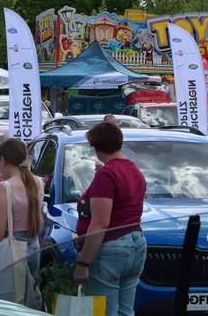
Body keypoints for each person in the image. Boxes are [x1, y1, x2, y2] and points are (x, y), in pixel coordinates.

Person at [74, 121, 147, 316]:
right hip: (136, 242)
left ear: (96, 147)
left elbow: (100, 223)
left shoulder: (107, 174)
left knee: (105, 312)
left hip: (112, 248)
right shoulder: (134, 169)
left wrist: (83, 264)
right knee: (125, 311)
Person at [0, 138, 43, 275]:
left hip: (13, 251)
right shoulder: (38, 181)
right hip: (34, 247)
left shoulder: (4, 187)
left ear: (3, 160)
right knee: (29, 294)